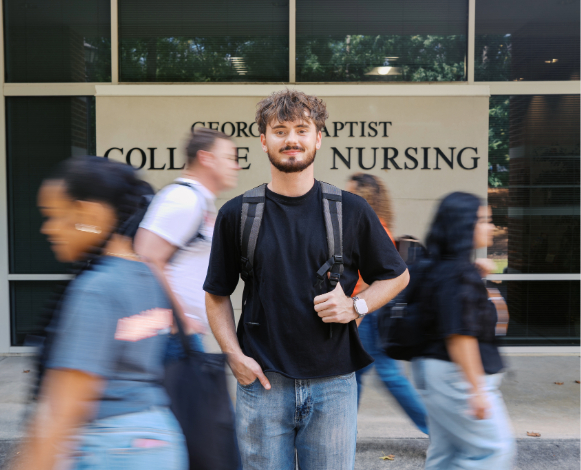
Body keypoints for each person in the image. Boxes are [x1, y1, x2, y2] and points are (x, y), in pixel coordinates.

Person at [203, 89, 410, 470]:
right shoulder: (237, 215)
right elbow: (216, 294)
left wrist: (355, 305)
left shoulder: (350, 209)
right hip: (262, 384)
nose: (292, 139)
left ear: (318, 137)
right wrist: (233, 355)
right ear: (264, 141)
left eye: (302, 128)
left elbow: (397, 276)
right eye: (280, 130)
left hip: (334, 386)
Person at [14, 156, 187, 470]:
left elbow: (64, 408)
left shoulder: (96, 290)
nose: (48, 228)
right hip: (158, 442)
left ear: (89, 214)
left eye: (55, 215)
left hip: (107, 449)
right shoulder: (147, 278)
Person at [411, 192, 515, 470]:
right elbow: (459, 336)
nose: (490, 226)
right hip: (457, 376)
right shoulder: (458, 275)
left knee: (446, 456)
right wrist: (476, 389)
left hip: (440, 373)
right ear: (464, 224)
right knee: (494, 451)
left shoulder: (444, 268)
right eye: (483, 220)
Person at [135, 127, 240, 356]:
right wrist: (180, 319)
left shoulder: (198, 200)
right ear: (206, 158)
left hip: (183, 335)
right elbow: (147, 258)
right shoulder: (183, 199)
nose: (237, 166)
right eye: (230, 158)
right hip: (172, 337)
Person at [346, 173, 429, 435]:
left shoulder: (371, 227)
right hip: (369, 310)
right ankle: (344, 431)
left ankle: (435, 430)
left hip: (368, 312)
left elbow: (368, 277)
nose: (344, 197)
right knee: (358, 374)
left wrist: (355, 313)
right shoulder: (375, 224)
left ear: (365, 196)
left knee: (388, 375)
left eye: (350, 192)